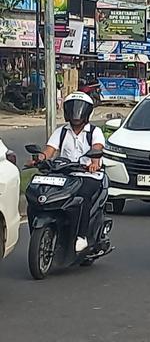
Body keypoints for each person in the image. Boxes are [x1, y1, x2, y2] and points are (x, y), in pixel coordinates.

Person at [34, 91, 106, 252]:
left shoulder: (95, 132)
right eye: (73, 109)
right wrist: (39, 158)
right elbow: (49, 150)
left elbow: (97, 148)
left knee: (82, 196)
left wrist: (94, 163)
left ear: (86, 112)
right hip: (64, 174)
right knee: (41, 191)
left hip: (88, 175)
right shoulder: (62, 131)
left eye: (79, 109)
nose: (76, 114)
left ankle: (81, 236)